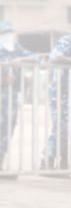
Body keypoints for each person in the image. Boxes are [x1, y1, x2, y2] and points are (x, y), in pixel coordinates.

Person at [42, 17, 71, 171]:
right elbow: (55, 57)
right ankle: (49, 159)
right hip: (60, 91)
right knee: (60, 126)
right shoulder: (67, 40)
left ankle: (64, 160)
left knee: (69, 126)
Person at [0, 21, 36, 177]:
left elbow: (35, 58)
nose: (7, 35)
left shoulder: (16, 49)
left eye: (10, 32)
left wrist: (20, 61)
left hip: (12, 96)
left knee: (8, 129)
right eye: (4, 33)